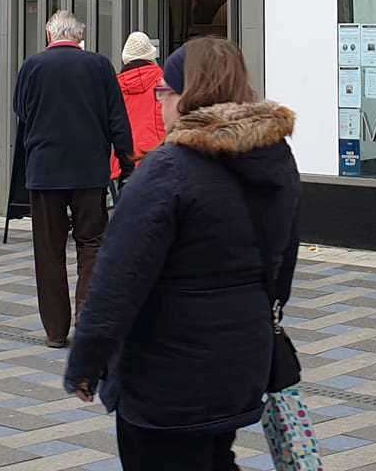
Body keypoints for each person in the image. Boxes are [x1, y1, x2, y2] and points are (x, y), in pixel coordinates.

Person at [64, 39, 301, 469]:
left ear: (189, 95)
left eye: (165, 91)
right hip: (241, 358)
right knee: (213, 456)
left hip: (166, 375)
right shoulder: (275, 159)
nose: (159, 103)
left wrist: (86, 359)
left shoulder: (168, 170)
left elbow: (118, 280)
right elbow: (283, 260)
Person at [13, 10, 135, 348]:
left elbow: (21, 111)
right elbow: (117, 119)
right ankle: (87, 318)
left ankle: (54, 330)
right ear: (79, 37)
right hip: (89, 170)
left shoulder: (32, 66)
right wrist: (127, 164)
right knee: (92, 243)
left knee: (49, 250)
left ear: (50, 35)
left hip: (44, 170)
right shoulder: (99, 66)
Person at [112, 32, 165, 185]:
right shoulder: (163, 82)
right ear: (151, 57)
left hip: (124, 164)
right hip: (157, 160)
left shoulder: (114, 87)